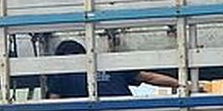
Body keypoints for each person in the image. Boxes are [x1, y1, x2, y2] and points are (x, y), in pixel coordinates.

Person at [46, 40, 188, 98]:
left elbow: (54, 104)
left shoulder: (61, 77)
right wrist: (182, 85)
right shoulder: (110, 66)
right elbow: (150, 78)